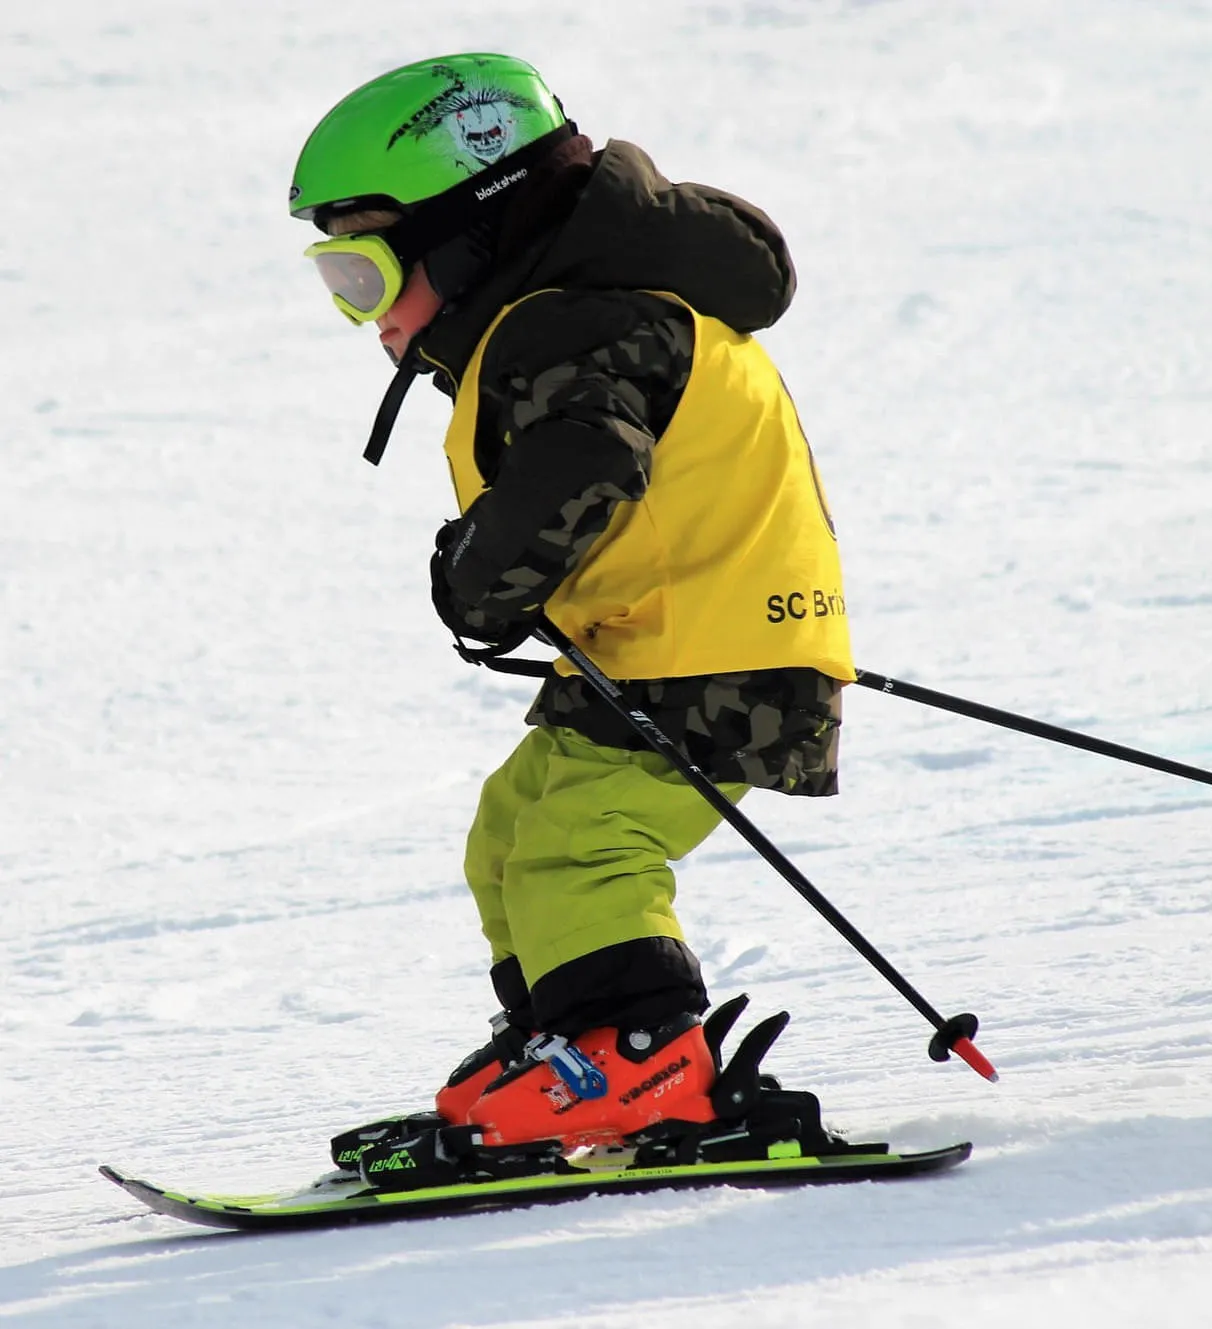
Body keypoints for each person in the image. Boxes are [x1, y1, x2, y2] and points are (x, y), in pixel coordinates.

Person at [290, 53, 854, 1150]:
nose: (363, 316)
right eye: (337, 284)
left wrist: (482, 575)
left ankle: (641, 1058)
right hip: (655, 647)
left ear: (467, 236)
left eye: (364, 275)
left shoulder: (579, 326)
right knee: (509, 833)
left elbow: (584, 465)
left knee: (582, 844)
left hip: (713, 658)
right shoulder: (565, 319)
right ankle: (566, 1042)